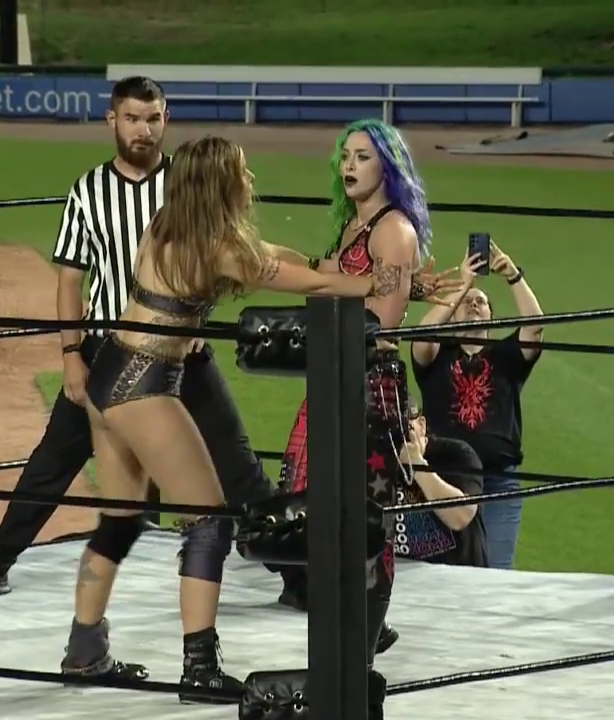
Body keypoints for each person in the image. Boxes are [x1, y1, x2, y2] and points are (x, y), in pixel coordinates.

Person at [58, 135, 391, 702]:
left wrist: (321, 263)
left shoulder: (170, 226)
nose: (251, 180)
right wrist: (373, 283)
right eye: (242, 172)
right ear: (220, 185)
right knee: (208, 520)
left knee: (119, 522)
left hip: (109, 371)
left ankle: (84, 650)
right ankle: (199, 668)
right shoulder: (217, 250)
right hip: (144, 382)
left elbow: (271, 254)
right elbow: (306, 282)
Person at [0, 76, 275, 603]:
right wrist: (70, 355)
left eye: (153, 118)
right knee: (51, 464)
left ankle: (298, 577)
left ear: (166, 119)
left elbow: (226, 253)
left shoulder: (188, 183)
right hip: (108, 352)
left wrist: (197, 322)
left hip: (182, 352)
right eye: (132, 118)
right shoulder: (88, 191)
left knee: (239, 468)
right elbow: (70, 281)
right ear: (112, 120)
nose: (143, 130)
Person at [269, 118, 446, 691]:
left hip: (368, 385)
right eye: (345, 156)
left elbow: (382, 319)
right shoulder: (354, 225)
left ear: (387, 167)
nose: (349, 166)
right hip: (334, 375)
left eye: (363, 156)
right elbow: (343, 281)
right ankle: (346, 640)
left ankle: (361, 654)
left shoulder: (392, 229)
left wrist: (323, 287)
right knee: (315, 507)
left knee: (367, 523)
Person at [410, 239, 544, 570]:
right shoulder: (436, 356)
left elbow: (535, 325)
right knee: (438, 574)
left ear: (491, 316)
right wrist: (463, 283)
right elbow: (422, 334)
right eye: (467, 302)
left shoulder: (506, 357)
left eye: (481, 302)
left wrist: (513, 275)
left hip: (498, 484)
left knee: (495, 578)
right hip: (445, 480)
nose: (473, 304)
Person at [394, 411, 489, 568]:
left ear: (422, 425)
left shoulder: (455, 455)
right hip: (403, 577)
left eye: (406, 428)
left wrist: (417, 465)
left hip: (461, 576)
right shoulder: (374, 462)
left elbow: (462, 516)